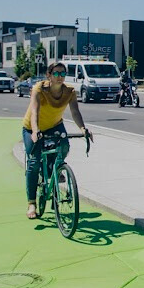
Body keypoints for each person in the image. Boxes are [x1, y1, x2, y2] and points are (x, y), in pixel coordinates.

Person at [21, 62, 91, 219]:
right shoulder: (39, 89)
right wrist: (36, 131)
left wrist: (83, 129)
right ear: (49, 75)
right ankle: (31, 203)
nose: (60, 77)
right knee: (34, 162)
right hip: (32, 127)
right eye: (56, 73)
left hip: (54, 126)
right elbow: (35, 112)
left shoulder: (70, 91)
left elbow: (75, 112)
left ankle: (55, 168)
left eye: (63, 74)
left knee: (64, 145)